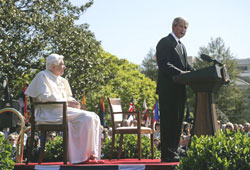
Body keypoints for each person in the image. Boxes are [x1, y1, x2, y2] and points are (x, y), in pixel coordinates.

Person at [25, 54, 103, 164]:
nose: (65, 67)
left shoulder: (62, 80)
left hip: (61, 110)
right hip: (48, 113)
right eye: (62, 64)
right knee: (86, 117)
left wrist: (73, 102)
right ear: (53, 66)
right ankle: (81, 158)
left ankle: (91, 154)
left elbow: (67, 97)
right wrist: (66, 101)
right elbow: (43, 97)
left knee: (94, 116)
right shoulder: (42, 76)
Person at [156, 17, 192, 162]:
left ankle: (174, 150)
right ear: (173, 26)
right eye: (181, 27)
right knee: (168, 121)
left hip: (179, 90)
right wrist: (180, 73)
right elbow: (164, 64)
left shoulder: (182, 46)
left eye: (185, 28)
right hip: (168, 90)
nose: (183, 30)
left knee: (178, 122)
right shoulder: (165, 42)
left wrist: (195, 73)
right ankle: (166, 153)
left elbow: (186, 67)